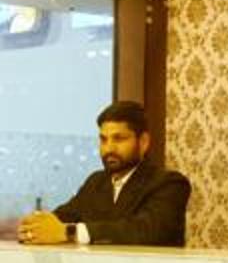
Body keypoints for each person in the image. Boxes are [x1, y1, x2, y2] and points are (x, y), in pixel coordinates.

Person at [19, 100, 191, 248]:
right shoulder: (96, 182)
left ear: (143, 142)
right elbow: (62, 218)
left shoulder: (169, 183)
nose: (109, 148)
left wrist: (68, 232)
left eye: (119, 139)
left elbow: (145, 231)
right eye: (103, 139)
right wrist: (34, 228)